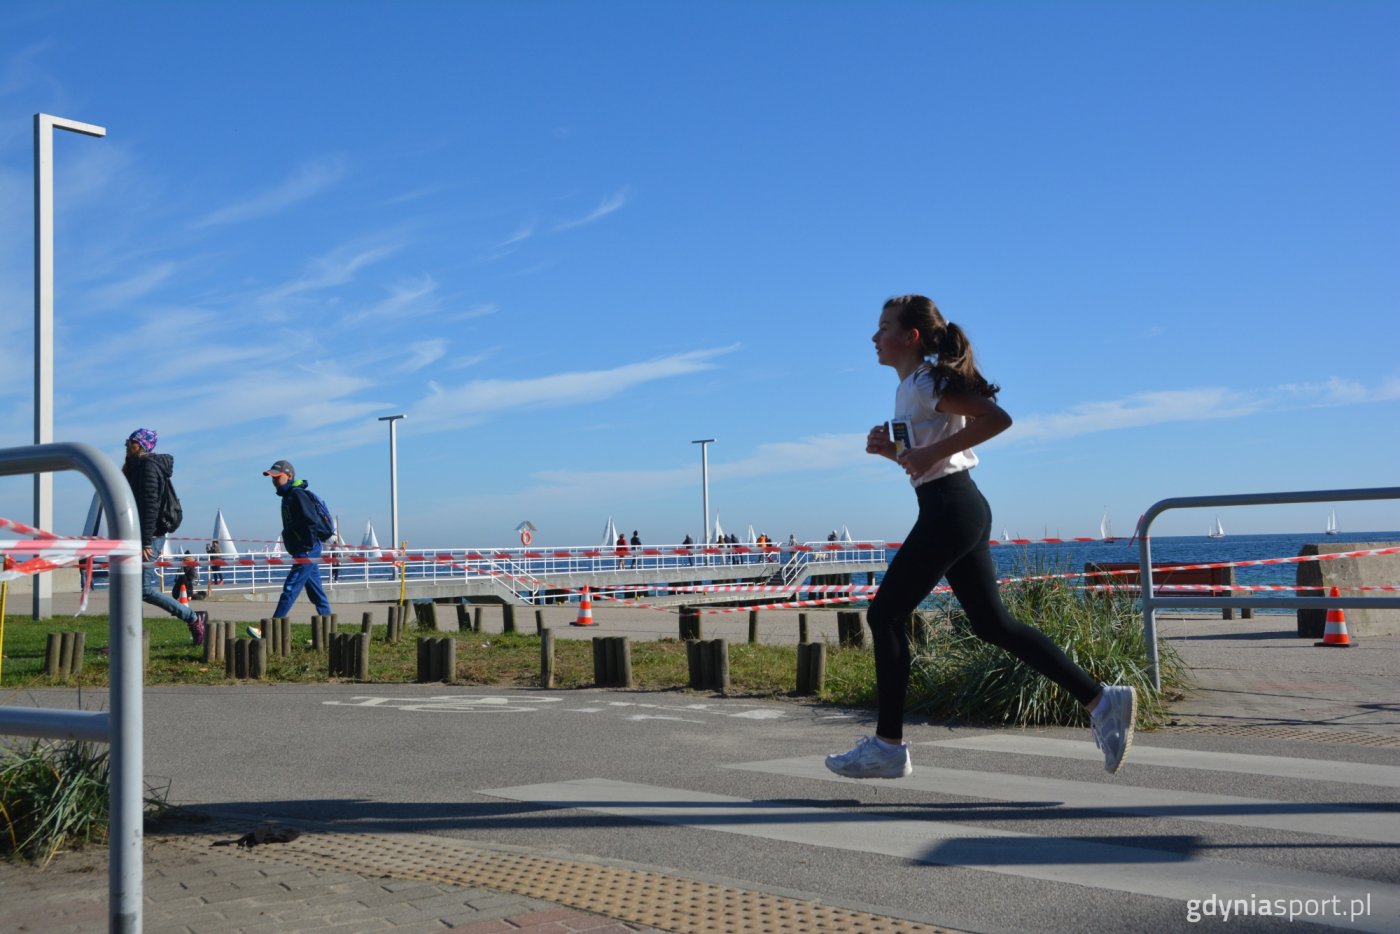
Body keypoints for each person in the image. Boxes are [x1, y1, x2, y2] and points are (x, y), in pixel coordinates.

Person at [824, 294, 1136, 780]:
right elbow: (926, 464)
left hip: (953, 509)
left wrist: (931, 453)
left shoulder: (925, 381)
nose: (873, 336)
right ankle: (1101, 699)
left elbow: (997, 417)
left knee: (884, 613)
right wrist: (893, 452)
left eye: (883, 327)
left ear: (910, 337)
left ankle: (888, 744)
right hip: (954, 504)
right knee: (993, 625)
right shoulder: (912, 386)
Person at [120, 428, 206, 645]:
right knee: (129, 588)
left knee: (143, 589)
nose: (126, 444)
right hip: (136, 535)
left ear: (140, 444)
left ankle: (194, 618)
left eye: (130, 441)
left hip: (149, 536)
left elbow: (150, 506)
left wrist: (146, 541)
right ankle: (125, 642)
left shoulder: (148, 468)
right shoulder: (134, 467)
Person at [257, 459, 331, 635]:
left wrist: (306, 546)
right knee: (317, 594)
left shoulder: (296, 494)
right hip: (307, 548)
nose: (274, 481)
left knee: (290, 588)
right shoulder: (289, 496)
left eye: (277, 477)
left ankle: (268, 630)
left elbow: (311, 521)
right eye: (272, 477)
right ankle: (329, 633)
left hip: (307, 549)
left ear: (289, 476)